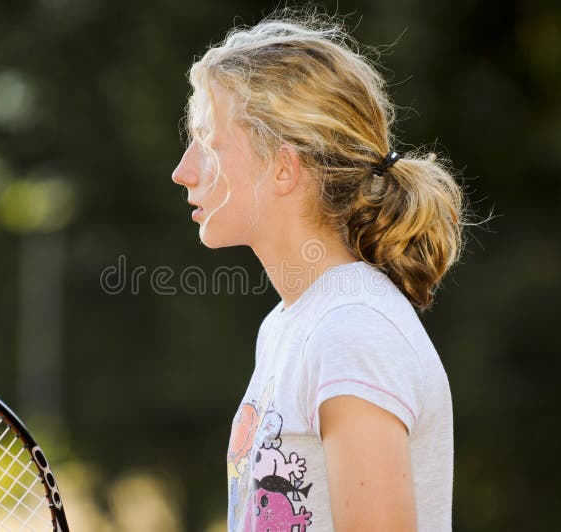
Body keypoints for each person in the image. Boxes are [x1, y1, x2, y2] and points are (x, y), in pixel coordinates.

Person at [172, 11, 470, 532]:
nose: (183, 171)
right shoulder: (289, 325)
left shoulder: (352, 330)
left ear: (284, 168)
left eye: (210, 141)